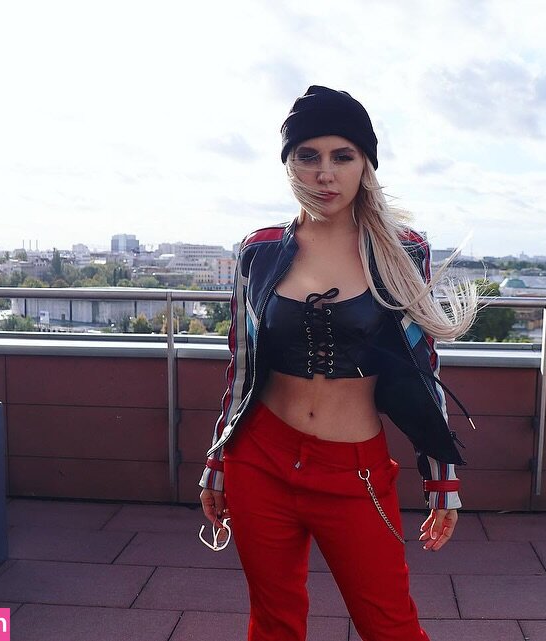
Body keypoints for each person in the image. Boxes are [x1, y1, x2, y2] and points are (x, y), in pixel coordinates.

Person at [198, 85, 479, 641]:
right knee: (273, 625)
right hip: (260, 459)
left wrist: (442, 480)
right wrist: (218, 462)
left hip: (354, 469)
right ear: (289, 164)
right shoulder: (258, 250)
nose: (324, 173)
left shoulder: (402, 250)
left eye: (342, 156)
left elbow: (424, 370)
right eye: (308, 155)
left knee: (390, 626)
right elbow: (241, 367)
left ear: (365, 165)